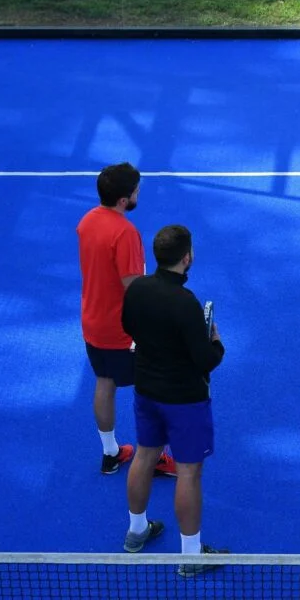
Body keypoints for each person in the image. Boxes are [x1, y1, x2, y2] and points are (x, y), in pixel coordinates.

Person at [120, 224, 228, 576]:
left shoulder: (136, 290)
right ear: (187, 257)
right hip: (185, 402)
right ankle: (191, 557)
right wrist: (216, 341)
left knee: (145, 455)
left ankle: (136, 532)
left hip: (146, 392)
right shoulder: (186, 304)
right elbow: (205, 361)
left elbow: (129, 327)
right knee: (188, 473)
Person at [77, 162, 175, 477]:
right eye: (136, 191)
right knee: (154, 387)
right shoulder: (125, 232)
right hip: (123, 329)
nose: (138, 194)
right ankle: (155, 458)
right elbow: (132, 286)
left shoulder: (87, 221)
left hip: (93, 322)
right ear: (124, 199)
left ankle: (111, 453)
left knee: (105, 382)